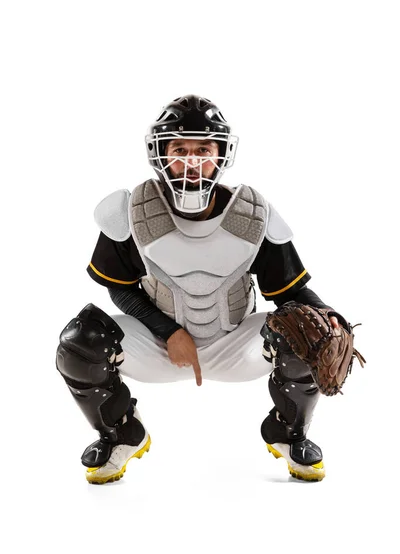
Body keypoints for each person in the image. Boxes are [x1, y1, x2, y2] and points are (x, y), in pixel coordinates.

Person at [56, 94, 345, 484]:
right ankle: (120, 433)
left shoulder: (252, 214)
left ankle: (289, 433)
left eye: (204, 149)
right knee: (80, 342)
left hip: (234, 344)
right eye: (180, 148)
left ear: (222, 153)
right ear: (160, 153)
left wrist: (329, 316)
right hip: (160, 348)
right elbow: (120, 289)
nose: (192, 161)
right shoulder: (131, 210)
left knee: (305, 329)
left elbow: (289, 292)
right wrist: (169, 332)